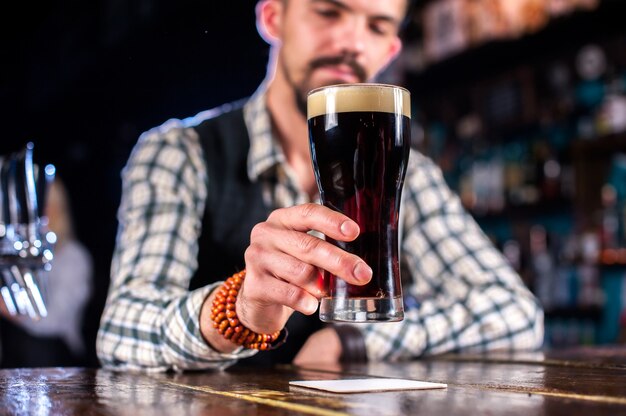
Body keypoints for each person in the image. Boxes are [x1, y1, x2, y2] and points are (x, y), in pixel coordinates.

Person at [97, 0, 543, 372]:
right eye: (328, 12)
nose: (350, 41)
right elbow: (120, 331)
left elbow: (516, 312)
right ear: (274, 18)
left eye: (375, 25)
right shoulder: (180, 151)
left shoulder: (409, 173)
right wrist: (237, 311)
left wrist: (352, 343)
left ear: (389, 48)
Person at [1, 178, 93, 367]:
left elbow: (54, 323)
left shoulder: (73, 256)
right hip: (18, 358)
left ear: (57, 209)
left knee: (36, 347)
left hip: (57, 362)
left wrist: (8, 309)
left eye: (39, 207)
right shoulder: (18, 252)